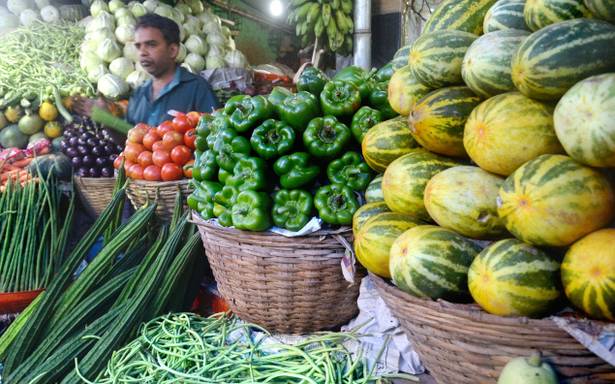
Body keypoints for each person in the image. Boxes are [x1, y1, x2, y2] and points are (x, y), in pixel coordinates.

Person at [73, 14, 220, 126]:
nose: (142, 52)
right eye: (138, 46)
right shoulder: (139, 93)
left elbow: (216, 137)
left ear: (173, 50)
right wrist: (105, 118)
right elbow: (130, 141)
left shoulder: (197, 88)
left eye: (151, 44)